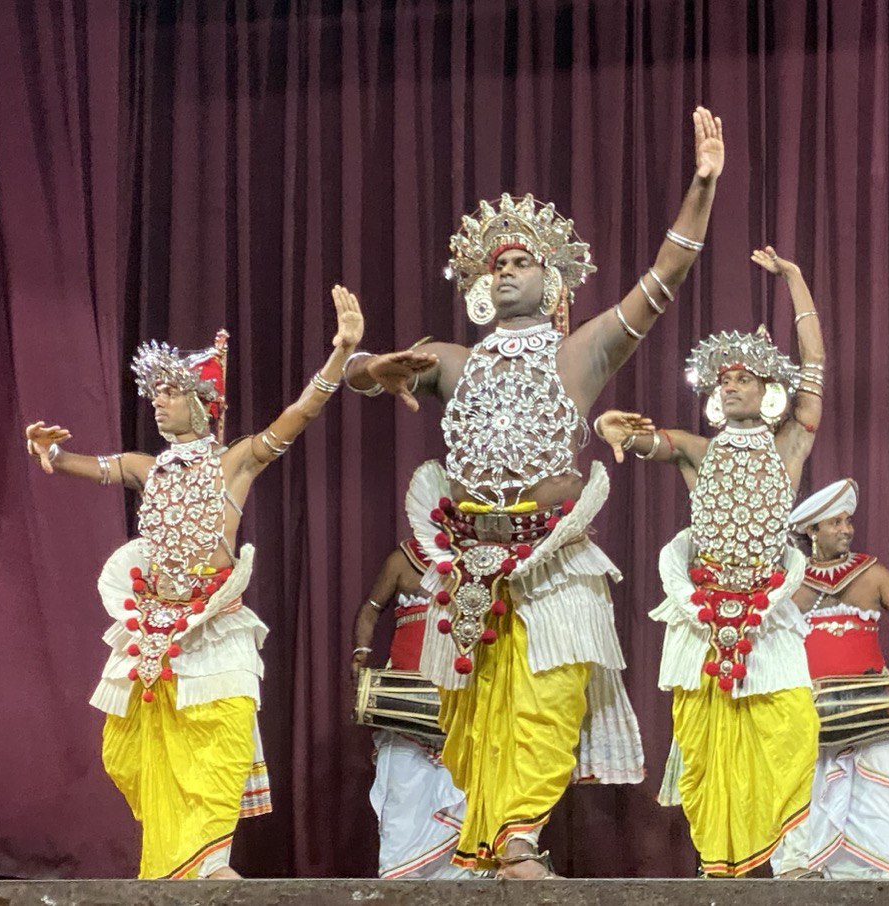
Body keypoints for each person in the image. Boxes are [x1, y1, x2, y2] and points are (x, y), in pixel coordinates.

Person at [342, 107, 726, 878]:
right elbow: (366, 377)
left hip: (553, 560)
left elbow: (664, 281)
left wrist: (702, 187)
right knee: (474, 723)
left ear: (551, 281)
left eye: (522, 261)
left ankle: (519, 839)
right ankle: (491, 848)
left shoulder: (581, 353)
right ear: (484, 286)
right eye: (498, 264)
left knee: (549, 703)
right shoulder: (453, 360)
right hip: (468, 568)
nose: (508, 270)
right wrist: (366, 366)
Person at [23, 289, 363, 879]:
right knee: (129, 752)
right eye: (155, 393)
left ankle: (211, 864)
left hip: (213, 623)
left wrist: (341, 353)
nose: (158, 402)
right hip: (152, 629)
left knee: (221, 736)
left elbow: (301, 414)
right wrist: (50, 454)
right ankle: (182, 866)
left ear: (205, 402)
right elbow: (80, 465)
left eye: (171, 392)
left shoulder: (235, 463)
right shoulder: (145, 467)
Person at [594, 245, 826, 877]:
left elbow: (814, 365)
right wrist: (611, 427)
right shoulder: (699, 449)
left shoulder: (790, 444)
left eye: (744, 377)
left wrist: (794, 281)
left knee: (792, 728)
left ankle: (792, 859)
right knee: (704, 742)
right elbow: (643, 440)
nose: (731, 385)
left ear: (769, 391)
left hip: (768, 615)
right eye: (724, 380)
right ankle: (722, 867)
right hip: (702, 615)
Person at [770, 478, 889, 878]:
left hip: (872, 706)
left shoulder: (872, 574)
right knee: (809, 791)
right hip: (809, 709)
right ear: (812, 530)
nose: (846, 529)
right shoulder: (791, 582)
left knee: (878, 793)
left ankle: (877, 880)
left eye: (848, 521)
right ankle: (807, 873)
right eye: (836, 522)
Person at [350, 540, 472, 879]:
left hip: (462, 700)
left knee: (461, 795)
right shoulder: (401, 561)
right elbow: (370, 609)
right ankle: (402, 881)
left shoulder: (478, 560)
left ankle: (461, 885)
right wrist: (361, 653)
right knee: (404, 794)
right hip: (404, 705)